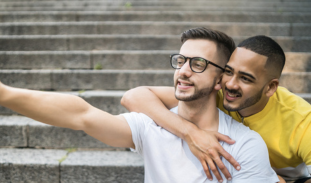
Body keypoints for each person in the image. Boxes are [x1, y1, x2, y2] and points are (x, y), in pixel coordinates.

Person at [0, 27, 278, 182]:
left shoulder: (245, 146)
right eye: (181, 60)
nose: (182, 71)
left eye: (198, 64)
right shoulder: (152, 125)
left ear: (222, 79)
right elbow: (81, 114)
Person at [121, 35, 311, 183]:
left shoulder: (303, 121)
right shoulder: (219, 92)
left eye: (245, 78)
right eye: (228, 72)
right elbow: (133, 97)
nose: (231, 84)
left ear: (270, 87)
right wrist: (190, 133)